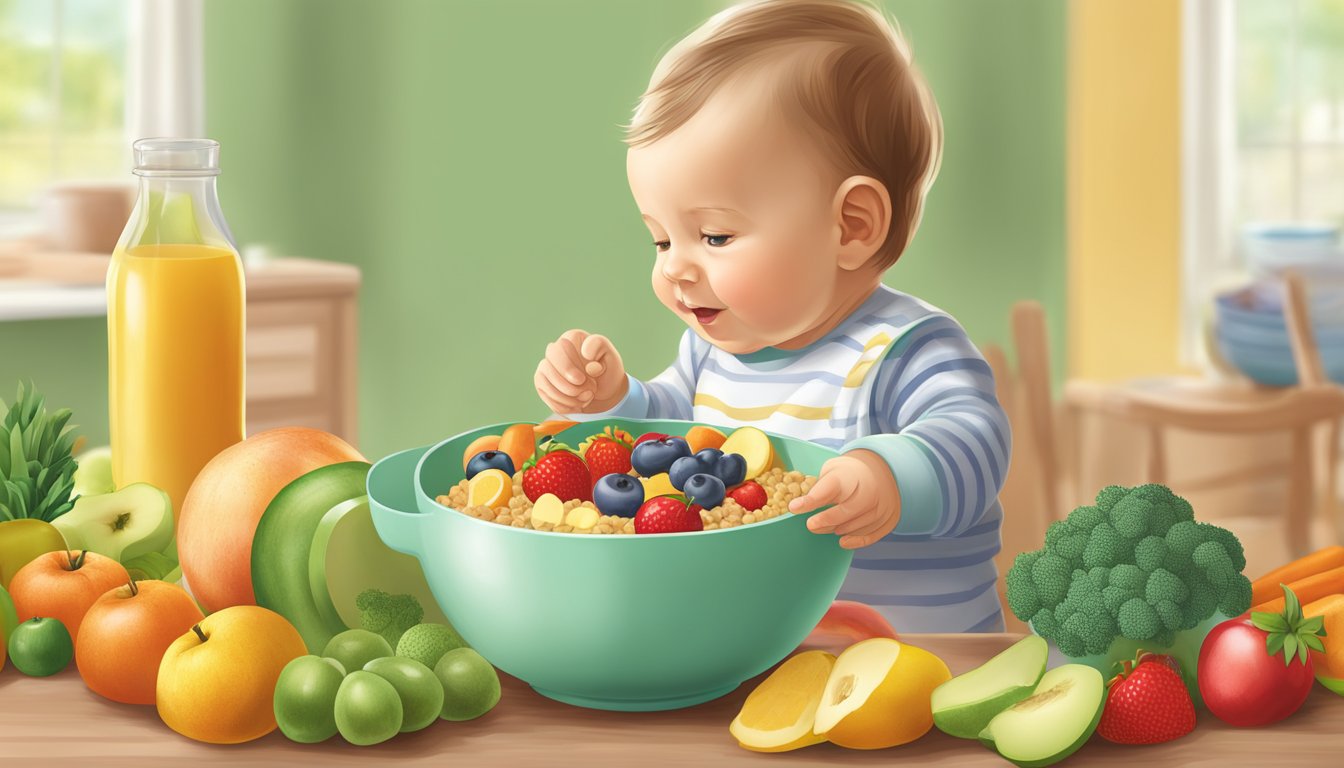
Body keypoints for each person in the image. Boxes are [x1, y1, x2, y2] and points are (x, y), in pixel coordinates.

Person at [533, 0, 1010, 633]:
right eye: (661, 240)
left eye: (715, 237)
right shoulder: (711, 354)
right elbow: (665, 445)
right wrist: (612, 400)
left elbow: (975, 439)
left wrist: (891, 473)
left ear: (851, 226)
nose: (675, 267)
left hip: (919, 669)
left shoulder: (906, 351)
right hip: (754, 658)